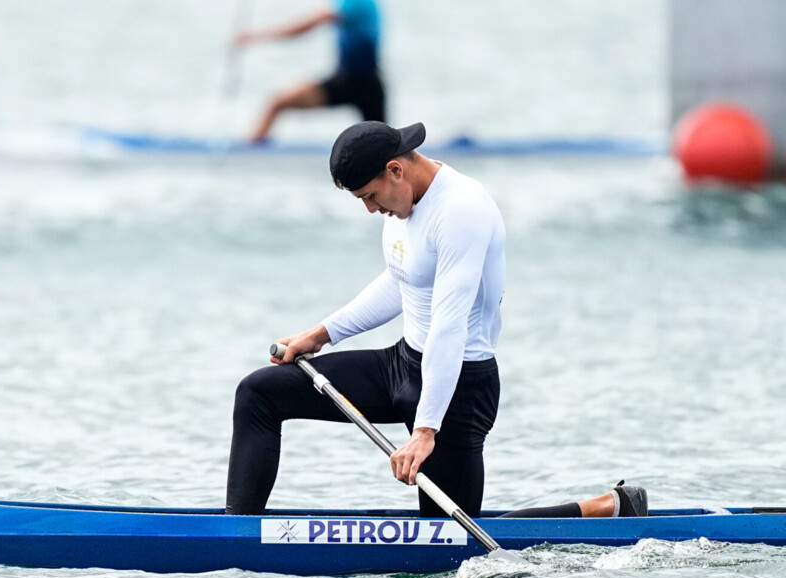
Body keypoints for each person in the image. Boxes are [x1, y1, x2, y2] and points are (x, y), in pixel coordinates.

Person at [224, 120, 648, 520]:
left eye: (369, 196)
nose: (371, 210)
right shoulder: (402, 207)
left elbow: (449, 325)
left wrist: (427, 429)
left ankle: (600, 507)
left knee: (450, 545)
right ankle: (238, 532)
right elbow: (400, 281)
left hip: (459, 388)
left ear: (395, 170)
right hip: (401, 366)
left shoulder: (461, 210)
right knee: (260, 393)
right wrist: (321, 334)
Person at [234, 0, 386, 142]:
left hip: (360, 83)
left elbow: (310, 24)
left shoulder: (355, 3)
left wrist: (256, 36)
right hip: (360, 82)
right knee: (383, 145)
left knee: (278, 103)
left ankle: (251, 148)